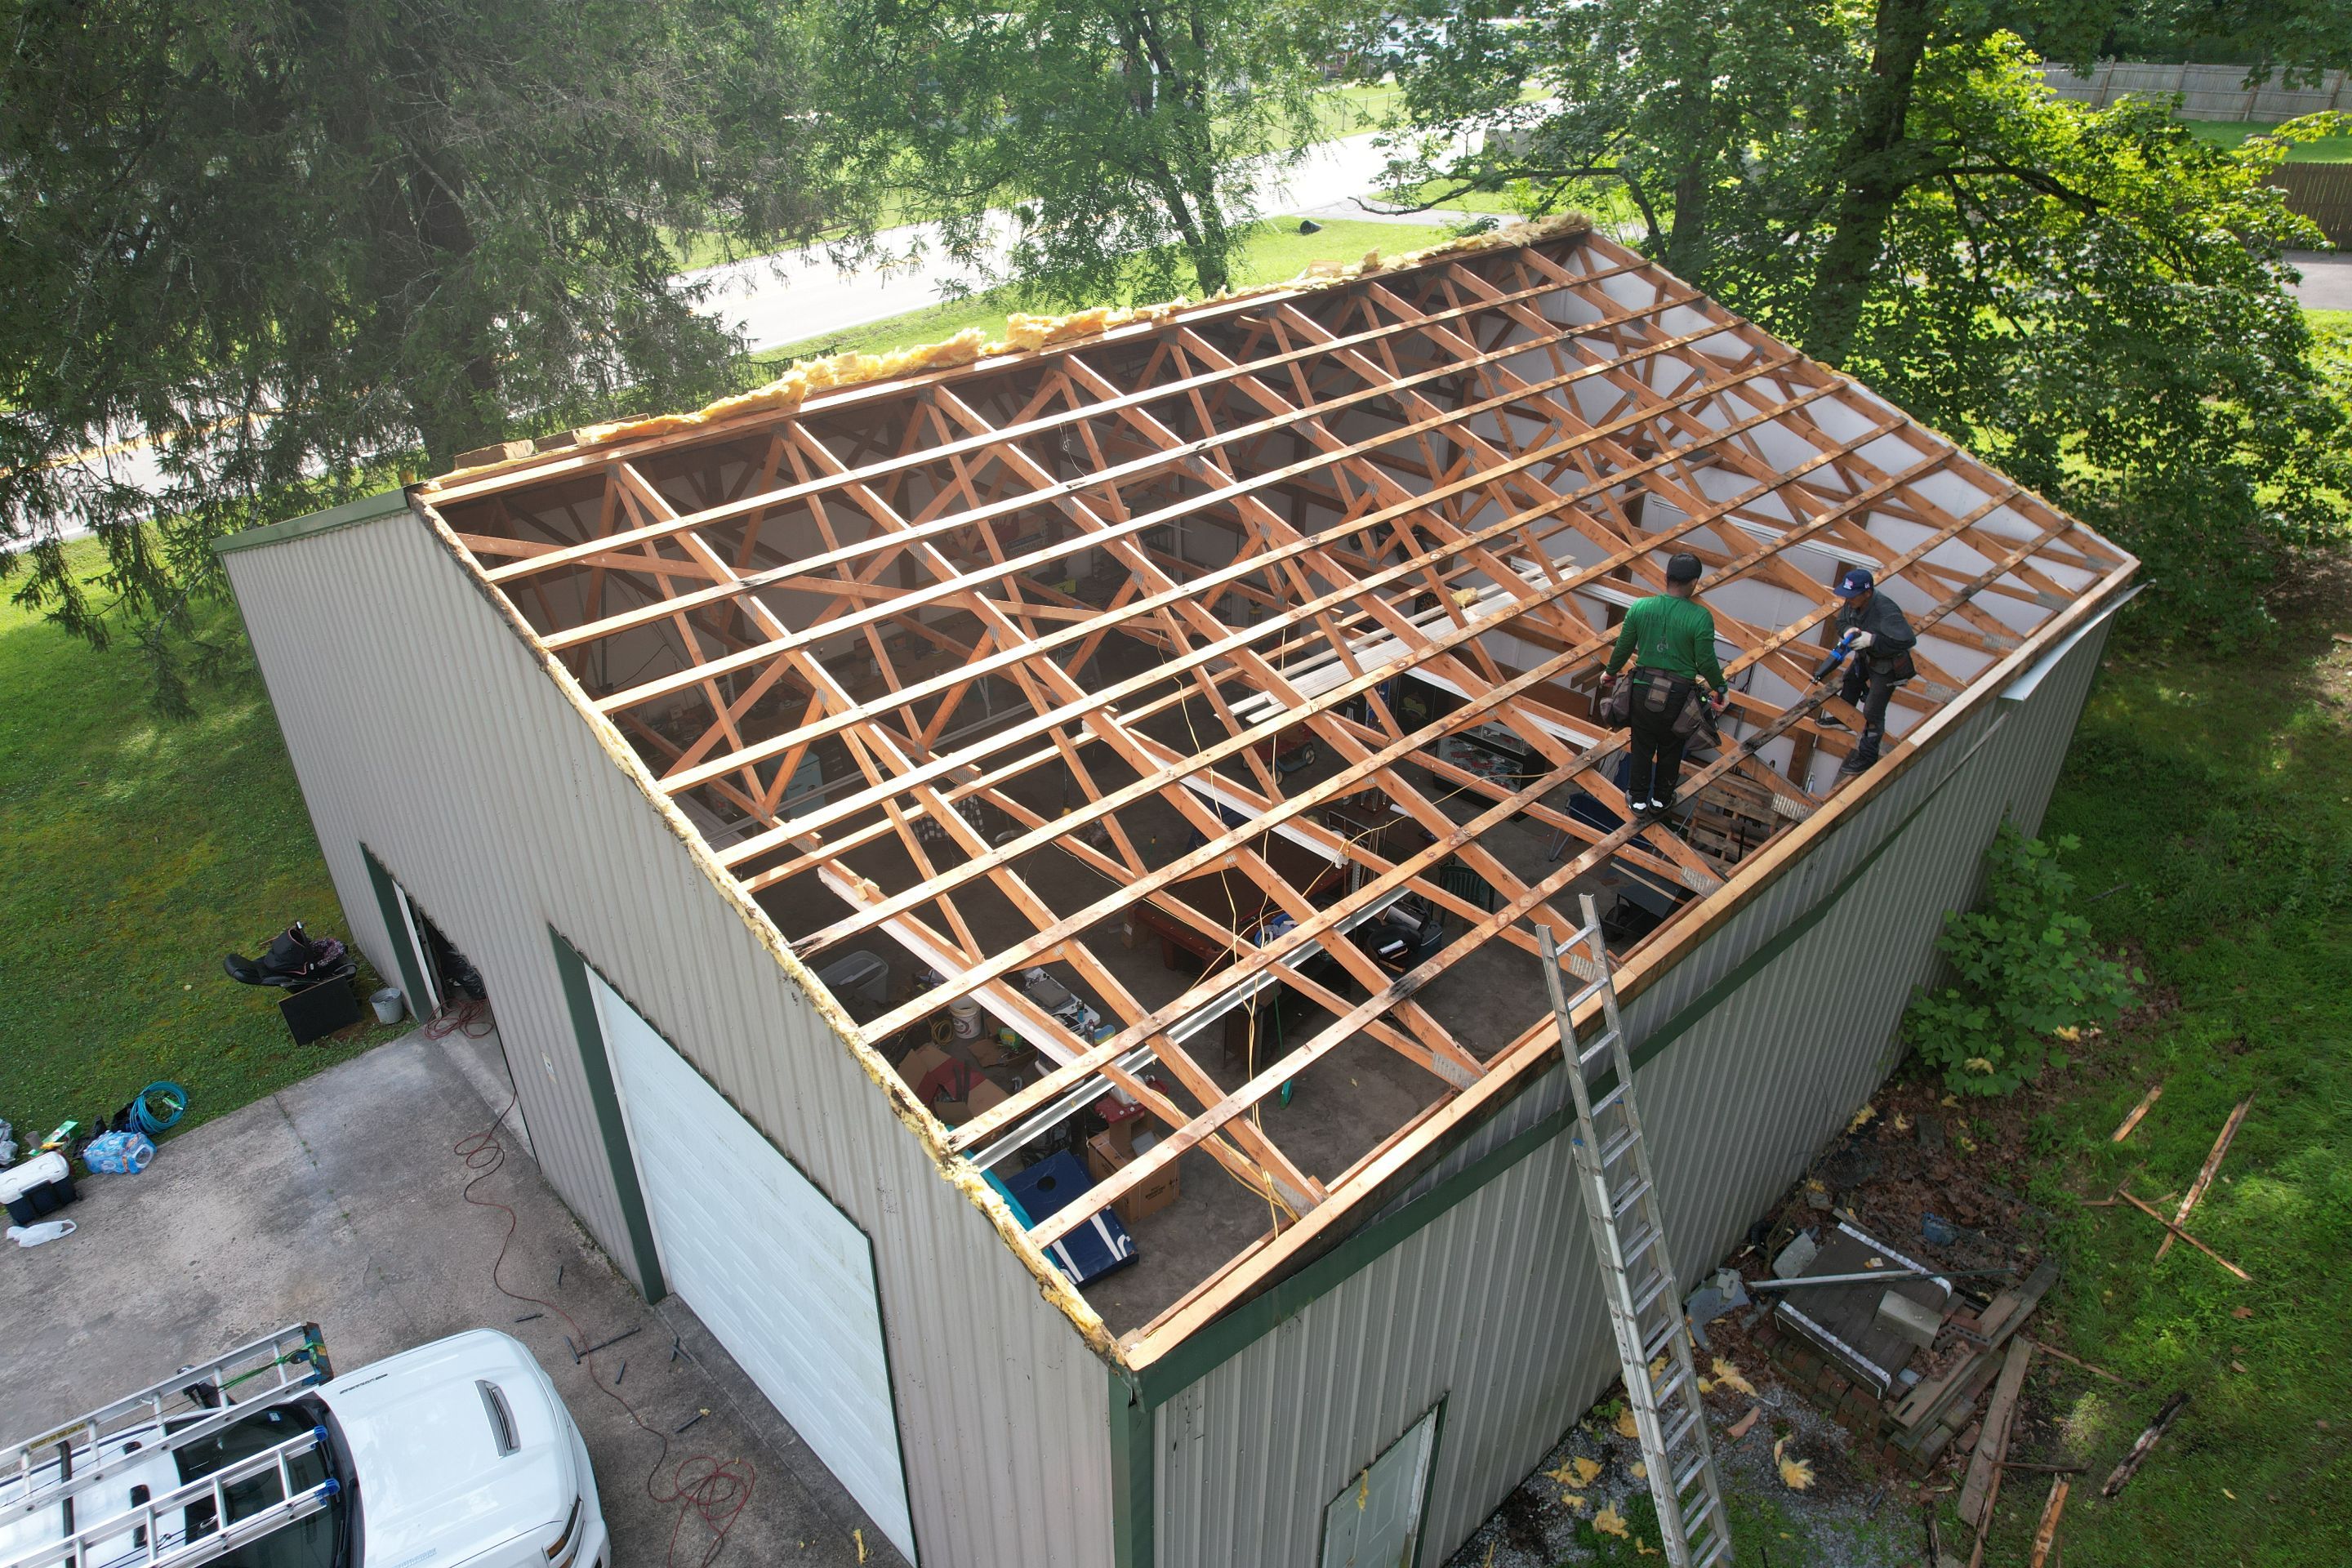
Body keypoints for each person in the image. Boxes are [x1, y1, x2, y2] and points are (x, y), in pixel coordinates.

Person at [1601, 552, 1729, 819]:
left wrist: (1610, 673)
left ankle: (1637, 800)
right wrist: (1720, 688)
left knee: (1643, 744)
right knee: (1671, 746)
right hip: (1679, 695)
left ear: (1665, 577)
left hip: (1643, 687)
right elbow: (1706, 660)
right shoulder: (1700, 617)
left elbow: (1624, 646)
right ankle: (1660, 801)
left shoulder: (1640, 608)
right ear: (1694, 582)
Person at [1829, 567, 1917, 777]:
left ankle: (1867, 757)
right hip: (1867, 657)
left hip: (1886, 666)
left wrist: (1873, 640)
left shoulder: (1887, 611)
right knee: (1850, 679)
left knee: (1873, 712)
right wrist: (1847, 630)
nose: (1848, 600)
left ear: (1867, 593)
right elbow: (1841, 621)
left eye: (1852, 596)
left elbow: (1908, 640)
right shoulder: (1853, 603)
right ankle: (1843, 718)